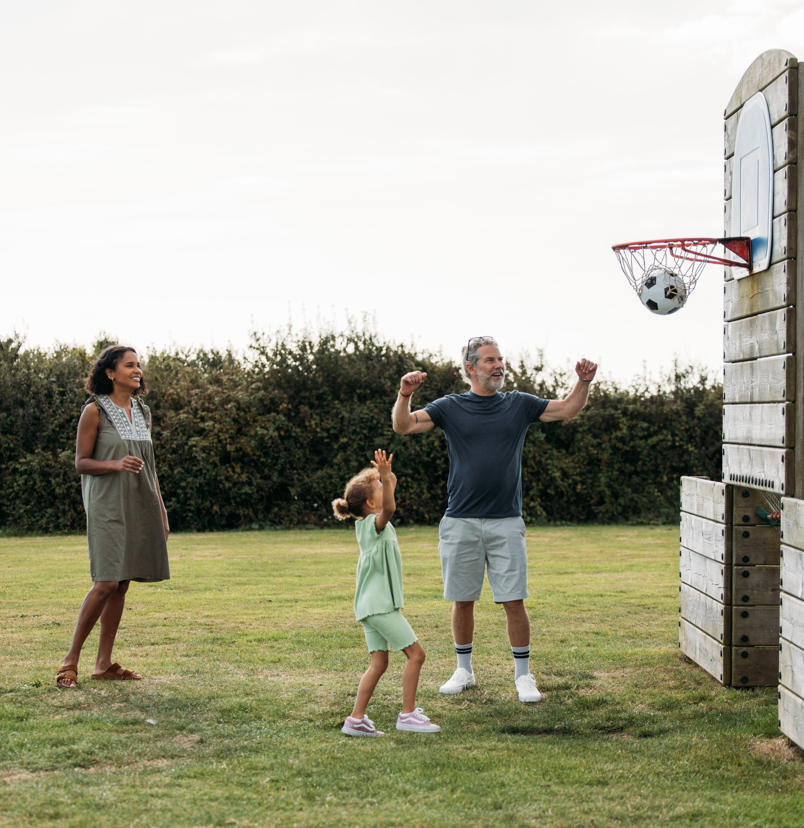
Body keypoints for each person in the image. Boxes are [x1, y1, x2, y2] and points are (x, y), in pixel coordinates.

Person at [392, 336, 597, 703]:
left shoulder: (518, 404)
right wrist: (405, 394)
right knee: (462, 599)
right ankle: (463, 670)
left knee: (514, 600)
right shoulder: (449, 407)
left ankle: (523, 676)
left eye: (500, 359)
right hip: (460, 521)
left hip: (506, 520)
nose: (498, 365)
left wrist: (583, 382)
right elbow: (403, 426)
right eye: (489, 360)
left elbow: (567, 409)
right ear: (471, 368)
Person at [55, 346, 170, 689]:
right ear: (110, 372)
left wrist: (161, 510)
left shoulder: (142, 410)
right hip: (107, 503)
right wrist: (116, 464)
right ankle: (69, 661)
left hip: (140, 502)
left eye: (139, 365)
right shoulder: (95, 411)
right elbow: (81, 463)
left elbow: (150, 467)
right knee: (106, 581)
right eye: (129, 365)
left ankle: (103, 664)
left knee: (122, 581)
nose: (138, 370)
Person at [333, 449, 440, 736]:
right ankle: (407, 715)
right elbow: (389, 508)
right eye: (380, 487)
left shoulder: (368, 526)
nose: (386, 487)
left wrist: (387, 476)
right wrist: (383, 477)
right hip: (380, 608)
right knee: (417, 655)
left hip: (370, 607)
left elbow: (388, 499)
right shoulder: (375, 524)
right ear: (371, 503)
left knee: (379, 663)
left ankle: (356, 720)